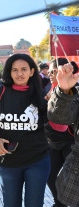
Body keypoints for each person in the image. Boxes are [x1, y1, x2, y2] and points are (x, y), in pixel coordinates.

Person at [0, 54, 50, 207]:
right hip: (8, 161)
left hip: (37, 160)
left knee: (34, 204)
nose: (19, 74)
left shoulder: (42, 94)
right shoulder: (1, 92)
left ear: (32, 72)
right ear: (9, 73)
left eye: (24, 69)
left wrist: (58, 99)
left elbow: (59, 126)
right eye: (14, 70)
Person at [45, 58, 76, 207]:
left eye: (55, 71)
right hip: (52, 142)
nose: (51, 74)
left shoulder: (73, 88)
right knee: (51, 177)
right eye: (50, 71)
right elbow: (55, 117)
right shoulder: (48, 88)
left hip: (70, 142)